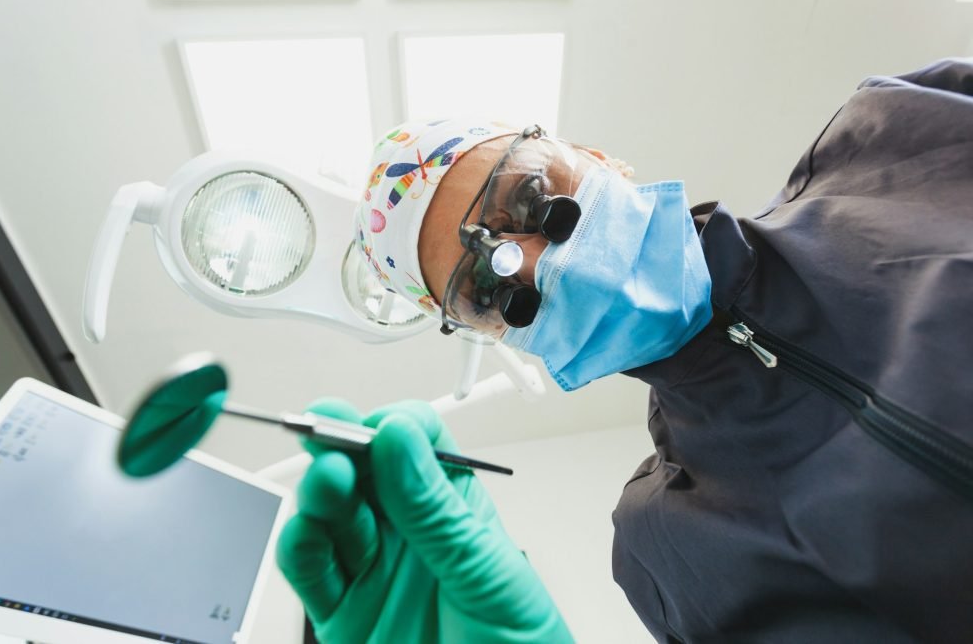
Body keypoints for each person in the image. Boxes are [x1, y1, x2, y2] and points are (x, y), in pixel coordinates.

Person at [276, 59, 973, 643]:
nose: (543, 263)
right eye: (488, 291)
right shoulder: (668, 541)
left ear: (597, 157)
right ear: (497, 336)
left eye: (532, 198)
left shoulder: (891, 136)